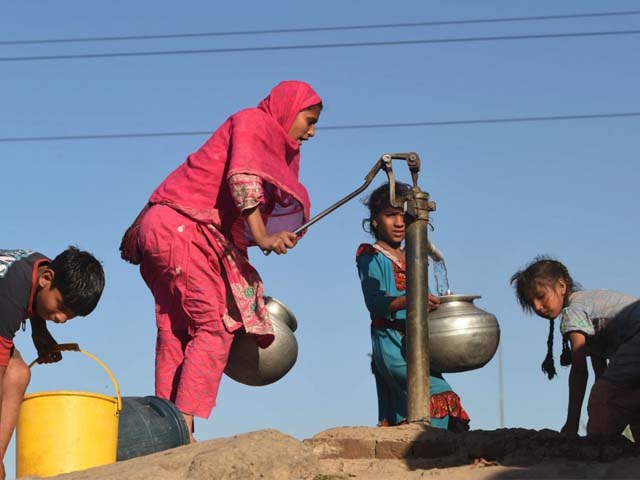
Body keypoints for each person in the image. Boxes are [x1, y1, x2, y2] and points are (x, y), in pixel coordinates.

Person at [119, 80, 322, 442]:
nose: (311, 131)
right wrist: (262, 236)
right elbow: (243, 179)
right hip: (184, 229)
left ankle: (166, 430)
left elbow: (236, 211)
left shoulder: (253, 130)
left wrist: (260, 239)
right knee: (213, 329)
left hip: (166, 227)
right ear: (287, 110)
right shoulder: (253, 123)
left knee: (177, 332)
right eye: (308, 120)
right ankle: (182, 428)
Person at [355, 182, 470, 431]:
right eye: (390, 215)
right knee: (434, 392)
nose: (398, 223)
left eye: (403, 216)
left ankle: (423, 458)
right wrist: (413, 299)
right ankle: (433, 448)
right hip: (390, 343)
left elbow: (423, 298)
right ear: (375, 221)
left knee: (405, 403)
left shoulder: (412, 256)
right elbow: (375, 303)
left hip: (414, 341)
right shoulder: (371, 256)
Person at [0, 247, 105, 479]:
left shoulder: (42, 267)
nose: (61, 319)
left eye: (71, 315)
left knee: (18, 373)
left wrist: (40, 331)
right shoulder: (9, 297)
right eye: (61, 307)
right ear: (47, 279)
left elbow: (33, 294)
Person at [511, 256, 640, 438]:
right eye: (532, 304)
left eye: (541, 297)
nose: (538, 307)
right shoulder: (590, 307)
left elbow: (580, 372)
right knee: (627, 396)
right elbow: (601, 374)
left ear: (561, 286)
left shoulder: (574, 311)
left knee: (603, 401)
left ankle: (598, 448)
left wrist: (571, 425)